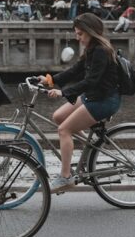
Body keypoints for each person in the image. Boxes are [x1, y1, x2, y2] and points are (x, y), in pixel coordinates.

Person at [38, 13, 122, 193]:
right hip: (93, 96)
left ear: (91, 32)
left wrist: (63, 92)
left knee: (64, 130)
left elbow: (91, 81)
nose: (77, 38)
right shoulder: (91, 49)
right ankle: (91, 147)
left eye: (80, 34)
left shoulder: (100, 50)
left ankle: (66, 177)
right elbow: (76, 71)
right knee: (58, 116)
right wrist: (50, 80)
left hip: (104, 100)